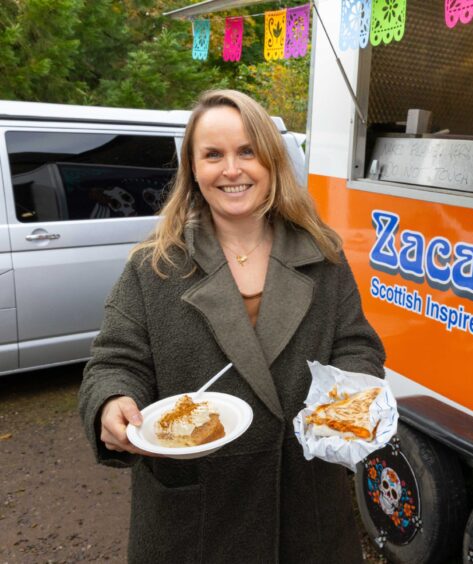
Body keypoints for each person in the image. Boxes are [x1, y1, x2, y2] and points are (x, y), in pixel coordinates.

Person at [78, 90, 385, 562]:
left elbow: (356, 344)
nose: (232, 169)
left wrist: (345, 401)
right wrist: (111, 402)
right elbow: (114, 362)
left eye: (247, 151)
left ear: (271, 161)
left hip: (305, 506)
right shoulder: (153, 265)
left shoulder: (322, 255)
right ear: (193, 169)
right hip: (197, 515)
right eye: (213, 155)